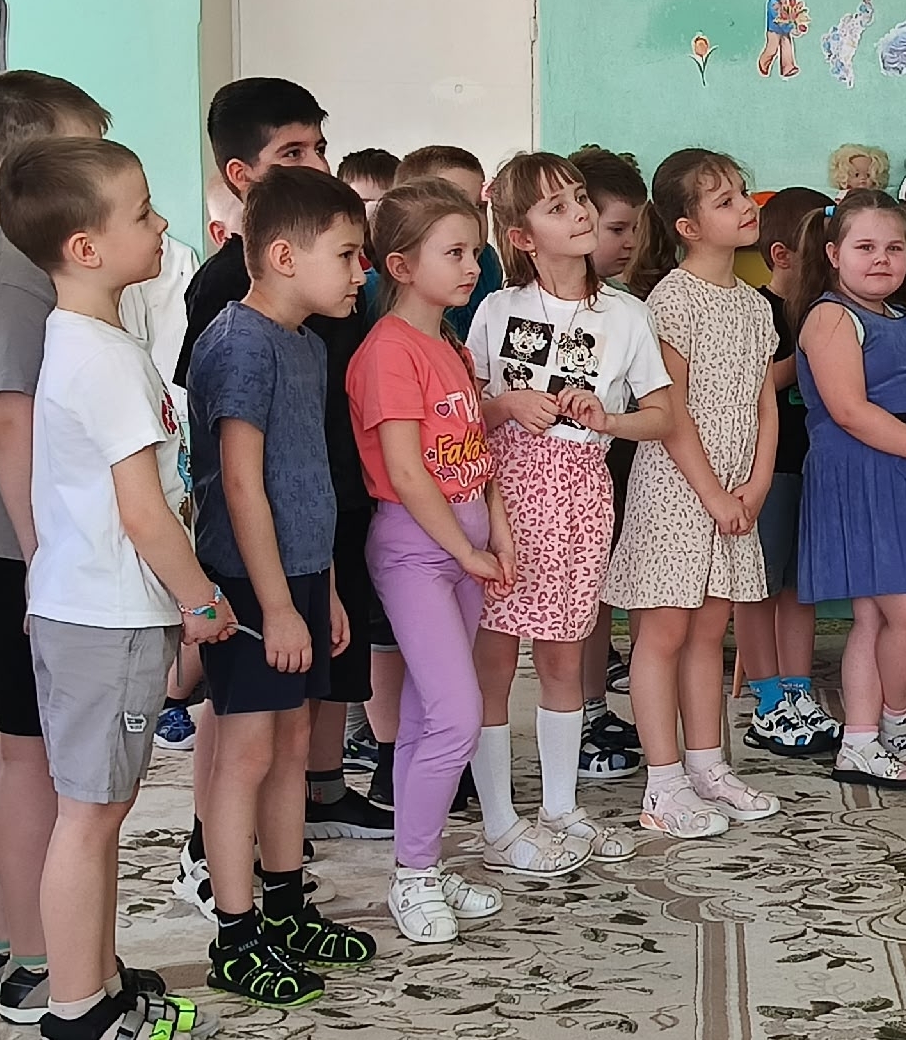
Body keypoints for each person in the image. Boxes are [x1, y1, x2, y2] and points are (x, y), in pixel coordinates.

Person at [5, 137, 221, 1040]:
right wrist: (202, 600)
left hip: (94, 610)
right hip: (105, 616)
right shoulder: (102, 360)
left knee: (100, 807)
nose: (162, 223)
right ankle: (76, 1016)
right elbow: (144, 511)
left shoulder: (96, 341)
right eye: (142, 212)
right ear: (86, 248)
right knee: (91, 817)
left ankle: (95, 977)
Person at [172, 79, 388, 924]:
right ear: (287, 257)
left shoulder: (304, 343)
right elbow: (240, 485)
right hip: (251, 584)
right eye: (348, 256)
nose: (361, 273)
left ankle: (289, 904)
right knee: (248, 751)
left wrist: (322, 588)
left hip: (301, 574)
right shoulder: (239, 342)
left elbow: (310, 482)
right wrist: (275, 605)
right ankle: (236, 925)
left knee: (293, 741)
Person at [0, 71, 112, 1027]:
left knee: (18, 748)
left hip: (9, 534)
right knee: (37, 754)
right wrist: (49, 555)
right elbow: (11, 419)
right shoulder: (8, 261)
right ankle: (41, 956)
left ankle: (3, 936)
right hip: (17, 539)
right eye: (83, 150)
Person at [466, 150, 674, 875]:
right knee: (493, 660)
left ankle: (560, 808)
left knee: (562, 654)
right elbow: (465, 411)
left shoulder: (627, 314)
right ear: (522, 236)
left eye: (580, 198)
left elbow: (662, 415)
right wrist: (505, 406)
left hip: (581, 496)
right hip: (504, 495)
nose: (580, 213)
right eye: (557, 207)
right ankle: (499, 818)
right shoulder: (497, 310)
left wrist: (607, 419)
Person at [347, 180, 512, 941]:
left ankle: (421, 860)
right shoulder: (388, 351)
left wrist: (496, 535)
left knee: (424, 716)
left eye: (475, 250)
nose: (472, 265)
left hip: (464, 545)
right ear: (402, 265)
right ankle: (413, 876)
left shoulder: (448, 344)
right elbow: (408, 473)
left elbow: (476, 451)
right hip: (417, 551)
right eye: (454, 252)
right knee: (456, 715)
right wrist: (464, 549)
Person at [604, 150, 784, 838]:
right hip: (678, 492)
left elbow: (766, 405)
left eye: (742, 192)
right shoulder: (671, 302)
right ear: (687, 225)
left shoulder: (755, 306)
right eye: (724, 200)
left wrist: (757, 484)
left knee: (711, 630)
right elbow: (670, 410)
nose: (744, 206)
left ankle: (708, 766)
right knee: (664, 633)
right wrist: (713, 494)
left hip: (735, 493)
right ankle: (664, 784)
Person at [792, 190, 906, 788]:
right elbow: (849, 411)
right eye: (866, 246)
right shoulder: (830, 317)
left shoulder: (903, 321)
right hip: (862, 477)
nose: (882, 259)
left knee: (874, 620)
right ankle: (895, 720)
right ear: (834, 254)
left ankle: (860, 740)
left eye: (895, 248)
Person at [738, 186, 848, 759]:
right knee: (757, 586)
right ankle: (766, 698)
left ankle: (799, 691)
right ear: (781, 255)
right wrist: (805, 357)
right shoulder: (755, 310)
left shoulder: (829, 310)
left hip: (818, 465)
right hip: (769, 467)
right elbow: (748, 384)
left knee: (801, 588)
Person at [568, 143, 652, 778]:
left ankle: (593, 708)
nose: (629, 243)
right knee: (574, 606)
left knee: (597, 596)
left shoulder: (626, 309)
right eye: (616, 229)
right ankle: (576, 715)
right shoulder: (519, 309)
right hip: (554, 477)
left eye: (634, 229)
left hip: (615, 461)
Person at [399, 144, 503, 341]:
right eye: (457, 207)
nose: (475, 220)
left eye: (479, 207)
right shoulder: (375, 291)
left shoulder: (487, 261)